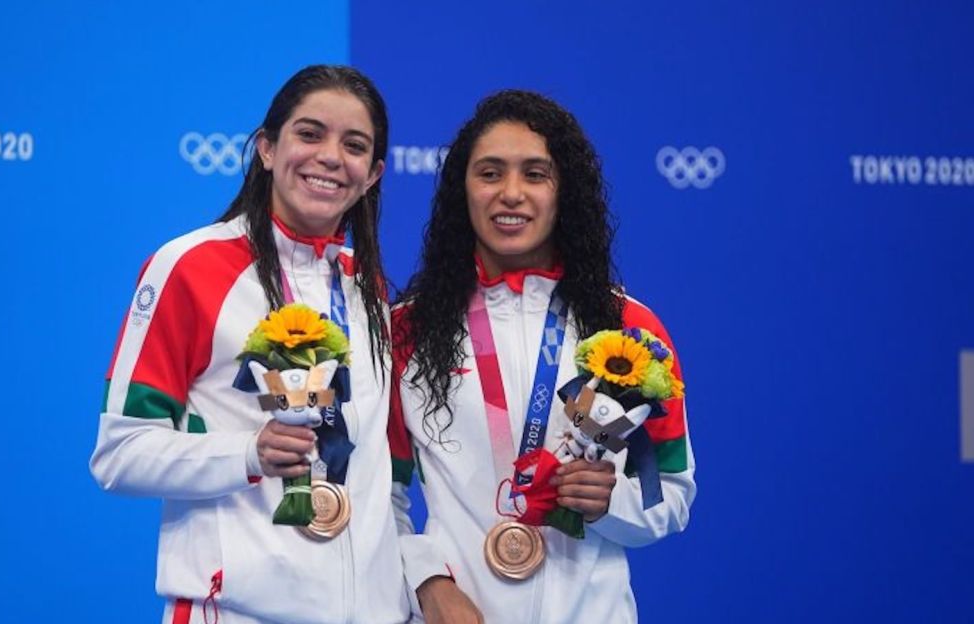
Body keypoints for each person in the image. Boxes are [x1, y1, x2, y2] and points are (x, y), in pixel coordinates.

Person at [91, 65, 408, 624]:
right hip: (237, 610)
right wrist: (246, 453)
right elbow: (120, 453)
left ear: (374, 173)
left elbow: (384, 480)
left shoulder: (371, 290)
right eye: (310, 134)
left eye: (353, 145)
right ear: (266, 148)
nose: (331, 156)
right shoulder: (190, 267)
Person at [389, 90, 695, 622]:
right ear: (462, 190)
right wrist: (427, 582)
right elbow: (377, 493)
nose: (511, 193)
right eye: (490, 173)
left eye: (535, 174)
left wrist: (609, 504)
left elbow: (669, 493)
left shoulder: (630, 330)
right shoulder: (410, 329)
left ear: (564, 192)